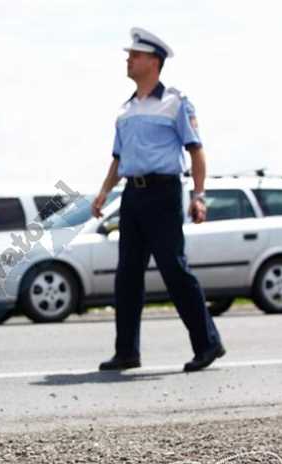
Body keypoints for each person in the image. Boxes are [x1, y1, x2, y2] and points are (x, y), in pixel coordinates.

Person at [91, 27, 225, 372]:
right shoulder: (125, 110)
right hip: (132, 195)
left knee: (174, 269)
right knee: (127, 275)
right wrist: (104, 192)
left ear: (154, 61)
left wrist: (199, 196)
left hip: (163, 193)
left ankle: (208, 343)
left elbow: (196, 151)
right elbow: (118, 159)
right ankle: (127, 352)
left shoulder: (175, 103)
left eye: (134, 55)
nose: (128, 60)